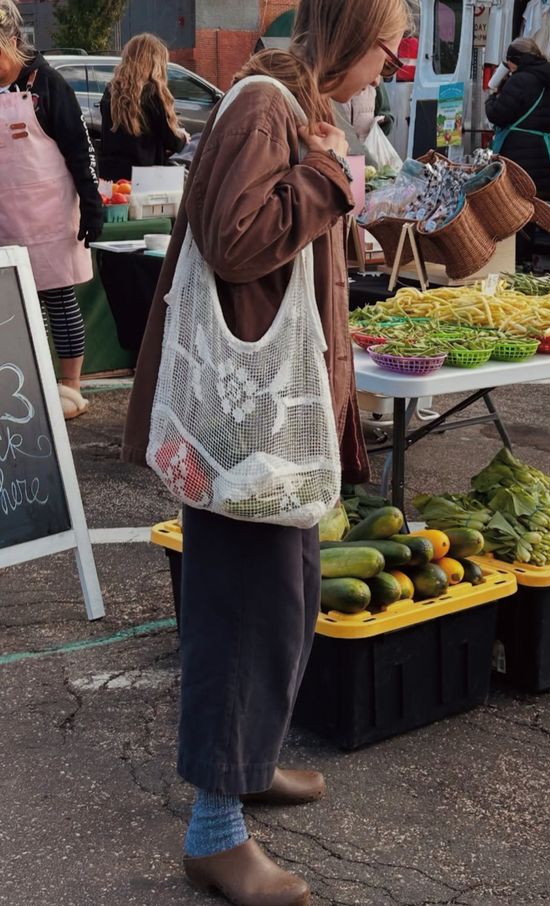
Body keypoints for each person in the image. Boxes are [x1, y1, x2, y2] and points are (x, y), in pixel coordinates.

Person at [122, 1, 409, 903]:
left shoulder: (297, 111)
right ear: (351, 40)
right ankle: (214, 829)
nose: (388, 73)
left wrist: (340, 196)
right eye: (388, 56)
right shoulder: (261, 106)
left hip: (273, 423)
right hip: (243, 426)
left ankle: (247, 765)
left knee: (281, 606)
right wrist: (326, 175)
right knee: (242, 618)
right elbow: (236, 240)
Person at [0, 0, 103, 419]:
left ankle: (70, 388)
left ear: (10, 41)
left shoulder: (48, 84)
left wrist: (91, 202)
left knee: (58, 300)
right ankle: (31, 382)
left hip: (51, 215)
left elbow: (82, 150)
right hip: (7, 215)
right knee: (18, 307)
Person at [99, 33, 189, 181]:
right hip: (145, 178)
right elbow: (171, 141)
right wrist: (183, 138)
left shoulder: (111, 91)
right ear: (154, 63)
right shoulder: (152, 92)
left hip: (111, 176)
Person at [485, 37, 550, 192]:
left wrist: (491, 97)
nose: (508, 65)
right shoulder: (543, 79)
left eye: (508, 61)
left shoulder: (519, 80)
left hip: (519, 157)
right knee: (535, 204)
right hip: (541, 154)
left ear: (517, 60)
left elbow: (498, 115)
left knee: (516, 207)